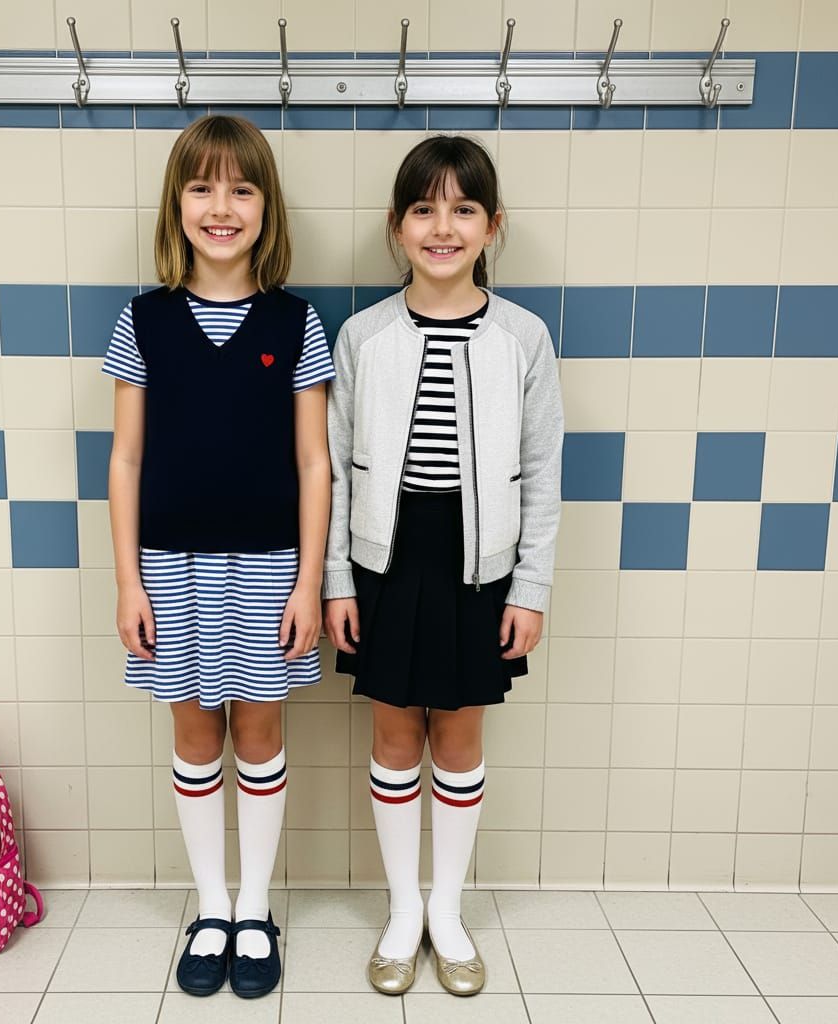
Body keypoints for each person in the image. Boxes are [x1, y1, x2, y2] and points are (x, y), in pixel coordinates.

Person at [323, 135, 563, 996]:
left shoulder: (523, 339)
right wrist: (338, 583)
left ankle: (448, 912)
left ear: (494, 226)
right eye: (424, 208)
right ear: (396, 227)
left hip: (480, 566)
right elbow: (337, 467)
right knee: (394, 738)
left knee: (458, 740)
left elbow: (543, 474)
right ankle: (401, 911)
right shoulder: (363, 336)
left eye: (464, 209)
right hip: (385, 564)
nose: (443, 226)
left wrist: (528, 587)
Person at [103, 114, 333, 999]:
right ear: (178, 204)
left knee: (261, 733)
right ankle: (210, 908)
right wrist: (129, 582)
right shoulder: (145, 320)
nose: (222, 207)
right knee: (196, 734)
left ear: (266, 208)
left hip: (273, 567)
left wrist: (309, 581)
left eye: (242, 189)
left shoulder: (296, 320)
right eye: (203, 187)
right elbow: (125, 460)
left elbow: (315, 462)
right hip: (168, 566)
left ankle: (255, 907)